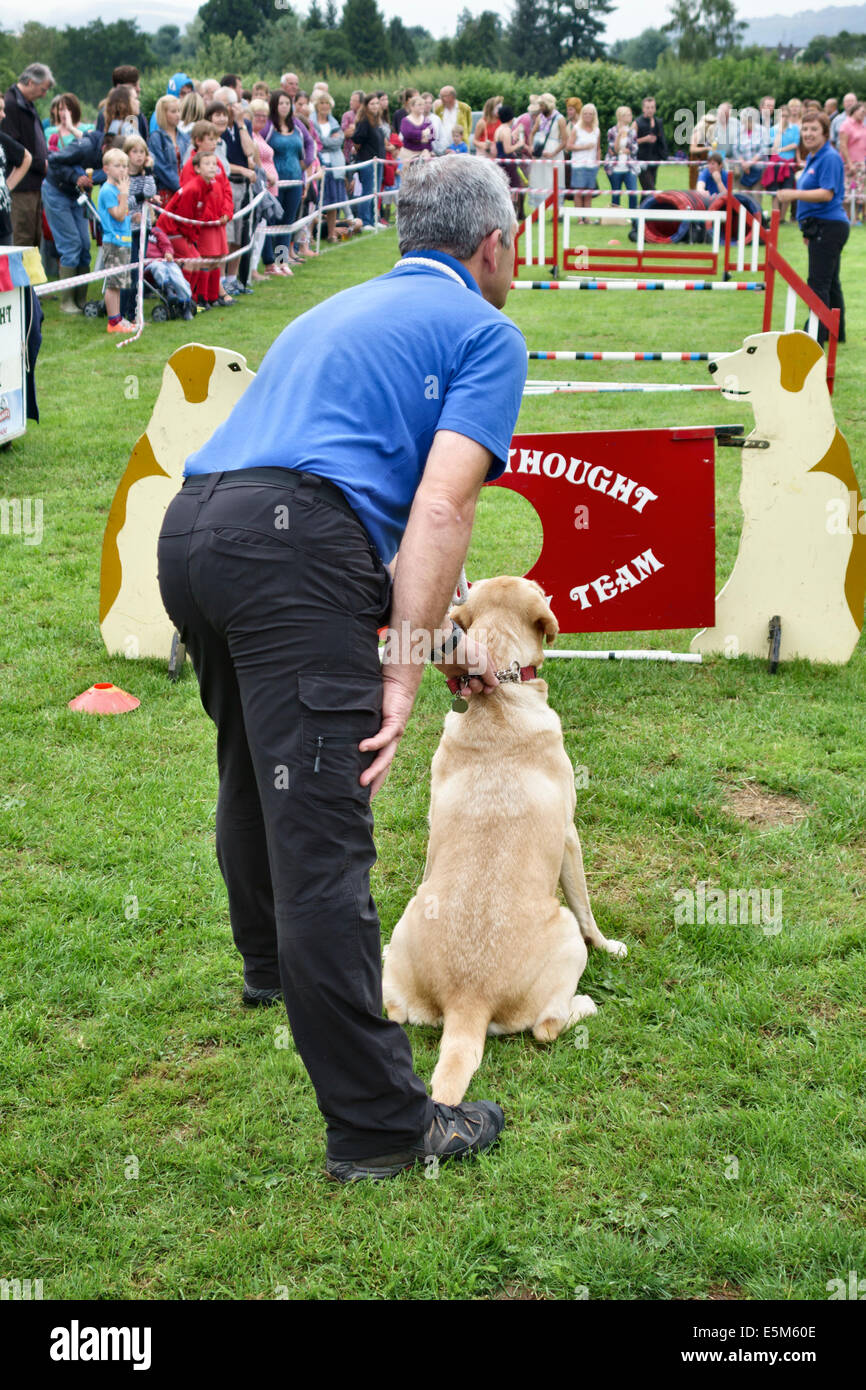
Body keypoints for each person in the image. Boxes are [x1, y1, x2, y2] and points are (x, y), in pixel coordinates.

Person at [156, 154, 524, 1183]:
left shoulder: (333, 309)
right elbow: (439, 511)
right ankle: (379, 1126)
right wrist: (401, 672)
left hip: (195, 532)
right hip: (289, 549)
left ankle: (272, 969)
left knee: (253, 767)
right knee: (324, 828)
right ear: (490, 245)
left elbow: (355, 507)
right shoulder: (485, 331)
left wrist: (431, 639)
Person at [776, 110, 849, 345]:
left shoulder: (829, 157)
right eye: (805, 129)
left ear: (825, 133)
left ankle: (815, 334)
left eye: (813, 129)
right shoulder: (813, 156)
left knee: (818, 283)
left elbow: (826, 194)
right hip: (819, 227)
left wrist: (792, 193)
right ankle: (836, 332)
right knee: (830, 282)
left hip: (829, 226)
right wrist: (807, 230)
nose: (808, 134)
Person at [158, 149, 232, 310]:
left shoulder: (207, 186)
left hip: (182, 231)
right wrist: (191, 236)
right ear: (197, 169)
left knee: (199, 260)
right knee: (193, 261)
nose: (212, 167)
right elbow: (184, 218)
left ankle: (198, 299)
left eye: (214, 164)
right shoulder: (193, 189)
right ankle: (184, 299)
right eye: (207, 164)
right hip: (170, 230)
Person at [1, 63, 54, 250]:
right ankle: (17, 280)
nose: (44, 95)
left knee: (33, 239)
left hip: (33, 184)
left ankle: (29, 280)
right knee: (21, 239)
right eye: (42, 89)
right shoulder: (11, 105)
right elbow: (14, 149)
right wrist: (41, 164)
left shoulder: (26, 104)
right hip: (20, 187)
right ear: (30, 82)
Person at [96, 147, 134, 334]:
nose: (122, 170)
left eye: (125, 166)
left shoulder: (118, 189)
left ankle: (118, 319)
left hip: (124, 241)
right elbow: (118, 215)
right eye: (117, 166)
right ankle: (113, 322)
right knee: (113, 284)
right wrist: (124, 194)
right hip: (114, 242)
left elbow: (124, 215)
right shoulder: (108, 191)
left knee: (119, 283)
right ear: (106, 169)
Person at [267, 90, 305, 266]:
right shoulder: (269, 128)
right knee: (273, 221)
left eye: (287, 103)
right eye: (280, 103)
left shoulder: (296, 127)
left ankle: (282, 259)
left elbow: (306, 148)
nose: (284, 107)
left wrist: (306, 169)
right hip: (276, 183)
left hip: (295, 180)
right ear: (274, 106)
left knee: (287, 222)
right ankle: (270, 260)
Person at [310, 92, 346, 242]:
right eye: (322, 103)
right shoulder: (311, 122)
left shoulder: (334, 123)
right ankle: (309, 236)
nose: (325, 106)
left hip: (334, 165)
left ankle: (331, 233)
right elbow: (316, 141)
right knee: (315, 202)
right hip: (318, 164)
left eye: (327, 103)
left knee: (333, 201)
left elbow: (339, 141)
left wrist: (324, 142)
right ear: (317, 105)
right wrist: (326, 141)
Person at [352, 93, 386, 228]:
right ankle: (365, 221)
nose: (375, 106)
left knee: (375, 191)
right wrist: (363, 153)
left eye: (377, 103)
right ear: (366, 106)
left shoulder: (377, 121)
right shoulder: (364, 121)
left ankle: (373, 220)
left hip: (378, 162)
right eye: (372, 104)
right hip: (368, 162)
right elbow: (356, 139)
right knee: (368, 191)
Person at [149, 94, 190, 202]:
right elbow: (160, 168)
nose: (178, 115)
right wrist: (180, 187)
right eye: (173, 111)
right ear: (163, 114)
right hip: (166, 192)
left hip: (186, 190)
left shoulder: (185, 137)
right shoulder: (156, 138)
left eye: (179, 111)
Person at [529, 94, 566, 211]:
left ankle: (557, 211)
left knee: (555, 180)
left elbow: (565, 140)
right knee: (539, 179)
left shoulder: (560, 119)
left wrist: (553, 153)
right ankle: (538, 210)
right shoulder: (540, 117)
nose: (540, 107)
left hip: (554, 155)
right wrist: (531, 147)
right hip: (541, 153)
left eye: (542, 105)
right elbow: (532, 133)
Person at [94, 66, 150, 142]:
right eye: (134, 85)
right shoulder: (104, 114)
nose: (138, 89)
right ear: (119, 87)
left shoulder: (136, 112)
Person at [0, 116, 31, 245]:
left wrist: (7, 187)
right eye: (0, 109)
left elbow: (26, 157)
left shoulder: (1, 138)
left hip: (3, 225)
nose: (3, 115)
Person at [604, 105, 639, 212]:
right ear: (621, 116)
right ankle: (616, 218)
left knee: (633, 193)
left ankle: (634, 218)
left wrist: (622, 150)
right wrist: (619, 136)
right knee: (616, 194)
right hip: (615, 168)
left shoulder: (632, 132)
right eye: (628, 114)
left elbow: (634, 148)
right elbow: (613, 150)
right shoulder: (611, 131)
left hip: (629, 167)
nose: (630, 116)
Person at [494, 105, 525, 220]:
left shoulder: (499, 129)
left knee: (504, 189)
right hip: (508, 164)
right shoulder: (506, 130)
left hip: (500, 161)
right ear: (511, 118)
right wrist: (519, 144)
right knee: (515, 187)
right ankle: (512, 213)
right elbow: (507, 149)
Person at [568, 102, 600, 212]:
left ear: (594, 115)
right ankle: (579, 217)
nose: (588, 116)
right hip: (579, 164)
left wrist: (598, 162)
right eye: (585, 113)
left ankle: (587, 216)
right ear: (582, 115)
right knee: (579, 192)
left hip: (592, 165)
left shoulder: (597, 130)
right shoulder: (576, 128)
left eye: (590, 114)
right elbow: (569, 146)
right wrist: (584, 147)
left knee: (589, 193)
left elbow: (598, 148)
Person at [838, 101, 866, 223]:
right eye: (862, 111)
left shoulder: (862, 125)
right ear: (855, 111)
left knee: (859, 192)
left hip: (861, 163)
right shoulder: (846, 125)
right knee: (847, 192)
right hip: (849, 163)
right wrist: (849, 163)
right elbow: (843, 146)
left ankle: (855, 217)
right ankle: (847, 217)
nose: (864, 114)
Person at [635, 95, 668, 192]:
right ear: (643, 109)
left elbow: (662, 140)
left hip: (654, 160)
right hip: (641, 161)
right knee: (650, 189)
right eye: (648, 107)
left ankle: (642, 207)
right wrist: (645, 139)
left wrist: (664, 155)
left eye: (652, 107)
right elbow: (630, 142)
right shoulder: (637, 123)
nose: (650, 110)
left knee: (647, 190)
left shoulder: (658, 122)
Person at [400, 93, 435, 166]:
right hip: (409, 155)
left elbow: (432, 136)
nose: (422, 107)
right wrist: (422, 134)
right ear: (412, 107)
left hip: (425, 154)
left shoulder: (427, 120)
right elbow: (408, 134)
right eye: (419, 105)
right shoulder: (405, 120)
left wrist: (418, 137)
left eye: (423, 105)